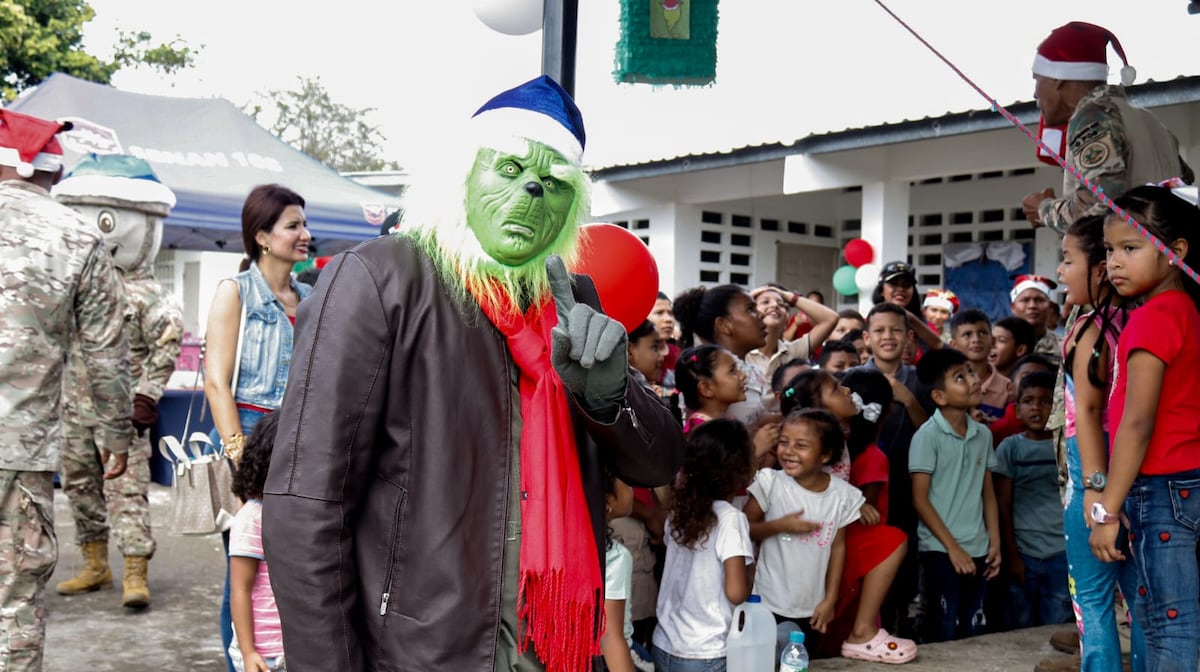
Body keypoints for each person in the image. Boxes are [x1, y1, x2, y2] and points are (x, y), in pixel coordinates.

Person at [262, 76, 684, 672]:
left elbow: (657, 464)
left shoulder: (572, 296)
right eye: (509, 168)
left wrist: (611, 399)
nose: (531, 193)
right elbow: (307, 502)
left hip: (554, 645)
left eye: (554, 184)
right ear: (461, 175)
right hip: (424, 651)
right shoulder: (384, 278)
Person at [0, 109, 131, 671]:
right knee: (16, 604)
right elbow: (107, 353)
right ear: (46, 170)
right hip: (18, 452)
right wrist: (117, 435)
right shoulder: (77, 236)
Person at [52, 154, 184, 610]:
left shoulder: (148, 293)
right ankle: (94, 564)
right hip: (71, 409)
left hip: (121, 415)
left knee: (127, 491)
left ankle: (135, 570)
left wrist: (147, 395)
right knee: (78, 487)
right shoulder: (73, 285)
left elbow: (168, 341)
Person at [1090, 184, 1200, 671]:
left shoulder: (1154, 317)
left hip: (1160, 488)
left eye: (1130, 249)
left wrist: (1106, 510)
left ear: (1175, 253)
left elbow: (1137, 422)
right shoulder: (1185, 311)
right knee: (1158, 617)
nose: (1115, 262)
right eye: (1111, 250)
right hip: (1181, 484)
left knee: (1168, 620)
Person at [205, 183, 314, 672]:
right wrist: (239, 456)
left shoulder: (310, 298)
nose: (305, 234)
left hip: (300, 443)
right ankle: (244, 661)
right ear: (263, 236)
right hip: (248, 435)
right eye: (293, 225)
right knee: (245, 563)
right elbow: (215, 383)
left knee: (291, 563)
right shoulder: (236, 291)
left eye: (304, 224)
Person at [777, 371, 916, 663]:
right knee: (890, 541)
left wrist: (854, 502)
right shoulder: (807, 444)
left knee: (890, 541)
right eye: (835, 388)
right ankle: (860, 633)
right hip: (807, 539)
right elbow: (803, 485)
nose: (846, 389)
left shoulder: (844, 438)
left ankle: (862, 633)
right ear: (819, 408)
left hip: (828, 536)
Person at [1054, 214, 1140, 672]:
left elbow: (1086, 412)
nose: (1061, 272)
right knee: (1142, 603)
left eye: (1068, 260)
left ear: (1101, 268)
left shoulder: (1088, 329)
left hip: (1095, 468)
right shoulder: (1139, 321)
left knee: (1092, 598)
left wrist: (1094, 488)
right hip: (1140, 471)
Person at [1021, 22, 1193, 234]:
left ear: (1057, 79)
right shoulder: (1150, 120)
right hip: (1163, 259)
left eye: (1037, 79)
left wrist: (1043, 208)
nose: (1035, 94)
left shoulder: (1092, 117)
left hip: (1127, 261)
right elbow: (1185, 185)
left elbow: (1098, 207)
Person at [745, 409, 864, 657]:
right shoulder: (770, 483)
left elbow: (838, 548)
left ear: (825, 455)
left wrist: (830, 599)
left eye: (801, 446)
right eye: (784, 442)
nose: (788, 451)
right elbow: (744, 529)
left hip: (812, 607)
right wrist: (779, 526)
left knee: (798, 662)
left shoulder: (841, 496)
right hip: (766, 602)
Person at [910, 348, 1001, 643]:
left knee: (972, 627)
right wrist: (953, 548)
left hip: (978, 546)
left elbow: (987, 492)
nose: (973, 380)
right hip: (940, 548)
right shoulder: (927, 436)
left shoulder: (983, 434)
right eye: (960, 377)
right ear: (939, 397)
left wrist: (994, 542)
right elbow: (920, 500)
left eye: (971, 373)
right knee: (942, 628)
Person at [853, 303, 932, 638]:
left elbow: (933, 432)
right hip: (864, 490)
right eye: (880, 331)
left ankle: (897, 626)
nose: (888, 337)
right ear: (868, 338)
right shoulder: (854, 379)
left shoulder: (920, 380)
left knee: (903, 561)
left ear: (909, 337)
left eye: (896, 330)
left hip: (908, 485)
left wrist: (907, 399)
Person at [652, 419, 754, 671]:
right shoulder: (731, 519)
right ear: (740, 470)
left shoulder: (679, 512)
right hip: (705, 651)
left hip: (664, 642)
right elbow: (736, 592)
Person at [994, 372, 1072, 629]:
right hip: (1024, 551)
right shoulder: (1010, 448)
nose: (1036, 407)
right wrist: (1012, 554)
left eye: (1045, 401)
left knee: (1057, 622)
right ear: (1017, 410)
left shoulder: (1068, 448)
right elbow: (1002, 505)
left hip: (1062, 551)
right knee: (1019, 623)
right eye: (1028, 401)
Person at [228, 412, 286, 672]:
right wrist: (248, 651)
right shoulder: (252, 519)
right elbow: (240, 589)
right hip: (265, 654)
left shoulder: (294, 513)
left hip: (290, 647)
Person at [673, 284, 768, 424]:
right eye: (750, 309)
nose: (761, 314)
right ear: (724, 325)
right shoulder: (711, 373)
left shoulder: (749, 369)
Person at [599, 474, 653, 672]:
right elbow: (611, 637)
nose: (631, 491)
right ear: (607, 501)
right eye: (625, 483)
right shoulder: (615, 556)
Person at [746, 284, 838, 387]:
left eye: (781, 304)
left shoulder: (795, 351)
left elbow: (831, 318)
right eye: (765, 302)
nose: (774, 305)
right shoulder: (740, 351)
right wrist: (748, 297)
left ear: (787, 319)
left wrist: (789, 296)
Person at [948, 309, 1011, 423]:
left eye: (982, 333)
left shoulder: (1007, 388)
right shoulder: (946, 384)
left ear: (993, 341)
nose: (976, 340)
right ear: (954, 345)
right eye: (967, 334)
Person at [871, 262, 943, 353]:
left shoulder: (925, 326)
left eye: (906, 285)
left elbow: (941, 348)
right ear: (881, 290)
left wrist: (912, 320)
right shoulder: (869, 323)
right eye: (894, 284)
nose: (901, 289)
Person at [989, 354, 1058, 448]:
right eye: (1027, 377)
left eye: (1042, 379)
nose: (1034, 385)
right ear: (1010, 388)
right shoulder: (998, 430)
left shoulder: (1061, 433)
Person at [1009, 275, 1062, 362]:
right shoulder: (998, 344)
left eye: (1039, 300)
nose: (1032, 306)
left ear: (1050, 307)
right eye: (1025, 300)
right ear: (1013, 307)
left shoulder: (1063, 347)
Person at [648, 292, 680, 390]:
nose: (668, 319)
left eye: (670, 313)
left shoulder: (678, 353)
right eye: (659, 313)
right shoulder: (633, 355)